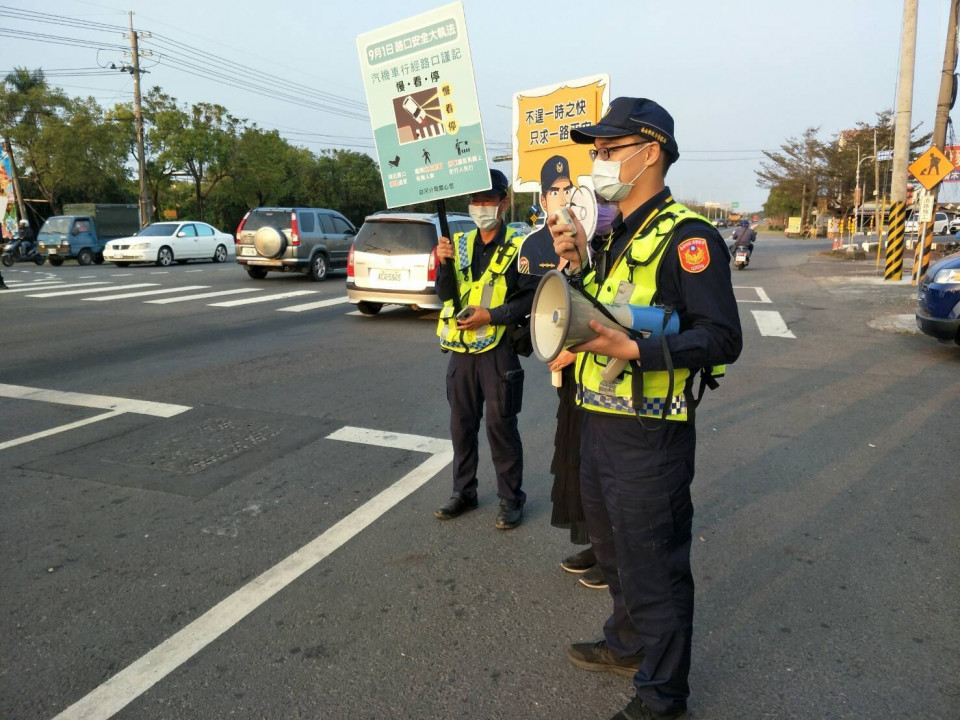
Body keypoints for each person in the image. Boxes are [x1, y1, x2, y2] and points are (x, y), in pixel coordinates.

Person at [550, 97, 742, 720]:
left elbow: (721, 336)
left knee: (653, 566)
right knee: (612, 554)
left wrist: (637, 345)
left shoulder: (689, 238)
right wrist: (573, 270)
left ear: (649, 152)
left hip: (649, 435)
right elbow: (594, 317)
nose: (598, 162)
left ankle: (662, 698)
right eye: (597, 152)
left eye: (608, 150)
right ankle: (627, 643)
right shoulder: (610, 236)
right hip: (597, 422)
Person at [433, 169, 538, 530]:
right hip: (462, 350)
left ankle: (511, 499)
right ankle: (464, 492)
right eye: (475, 201)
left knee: (500, 427)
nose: (480, 207)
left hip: (498, 349)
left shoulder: (520, 247)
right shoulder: (458, 242)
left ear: (503, 204)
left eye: (488, 200)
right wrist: (441, 263)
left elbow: (530, 299)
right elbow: (446, 295)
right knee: (461, 426)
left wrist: (490, 315)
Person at [549, 193, 619, 592]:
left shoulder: (624, 249)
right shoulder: (578, 255)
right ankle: (598, 545)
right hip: (579, 385)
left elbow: (617, 319)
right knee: (580, 463)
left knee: (610, 472)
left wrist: (575, 352)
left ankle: (616, 560)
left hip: (611, 380)